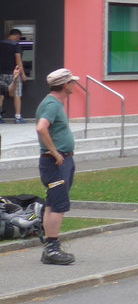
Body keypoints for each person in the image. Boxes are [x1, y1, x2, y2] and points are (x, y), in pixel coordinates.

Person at [36, 68, 80, 265]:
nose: (75, 85)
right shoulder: (52, 104)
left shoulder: (53, 103)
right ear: (65, 85)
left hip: (60, 161)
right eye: (72, 82)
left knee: (53, 203)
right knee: (58, 205)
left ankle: (50, 246)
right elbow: (41, 128)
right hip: (56, 162)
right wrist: (54, 152)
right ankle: (52, 249)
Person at [0, 28, 25, 122]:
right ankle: (18, 117)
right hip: (13, 73)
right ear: (17, 36)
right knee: (17, 94)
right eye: (19, 38)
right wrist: (22, 74)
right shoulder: (16, 45)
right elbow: (18, 60)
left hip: (1, 73)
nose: (18, 40)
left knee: (1, 94)